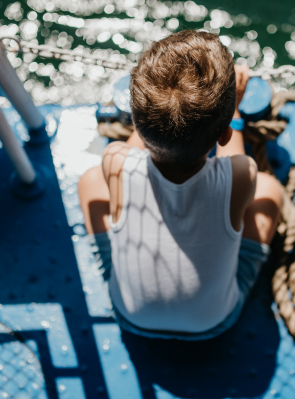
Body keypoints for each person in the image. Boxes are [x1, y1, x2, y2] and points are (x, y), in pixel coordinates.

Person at [78, 30, 283, 340]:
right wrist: (235, 112)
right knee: (271, 191)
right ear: (225, 134)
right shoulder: (242, 175)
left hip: (131, 316)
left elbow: (138, 141)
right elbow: (234, 157)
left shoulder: (115, 162)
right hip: (213, 323)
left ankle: (110, 266)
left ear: (135, 121)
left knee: (90, 181)